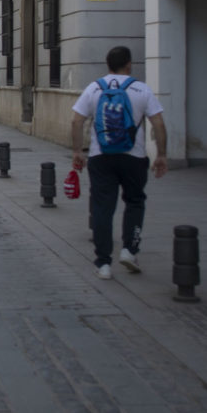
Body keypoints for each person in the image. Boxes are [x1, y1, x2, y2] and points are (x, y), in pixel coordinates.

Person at [71, 46, 168, 280]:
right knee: (135, 202)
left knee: (103, 208)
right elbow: (158, 124)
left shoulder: (95, 88)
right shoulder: (141, 89)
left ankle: (103, 263)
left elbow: (76, 121)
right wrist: (162, 155)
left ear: (107, 66)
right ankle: (129, 250)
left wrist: (77, 151)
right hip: (133, 157)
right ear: (129, 64)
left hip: (100, 156)